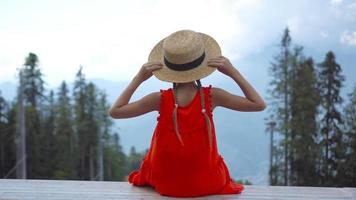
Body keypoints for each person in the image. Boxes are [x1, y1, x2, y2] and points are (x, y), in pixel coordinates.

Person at [109, 30, 266, 197]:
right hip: (208, 184)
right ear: (201, 66)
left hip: (166, 184)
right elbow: (258, 104)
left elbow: (115, 111)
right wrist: (233, 72)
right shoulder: (213, 97)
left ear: (168, 68)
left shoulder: (159, 99)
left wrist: (139, 78)